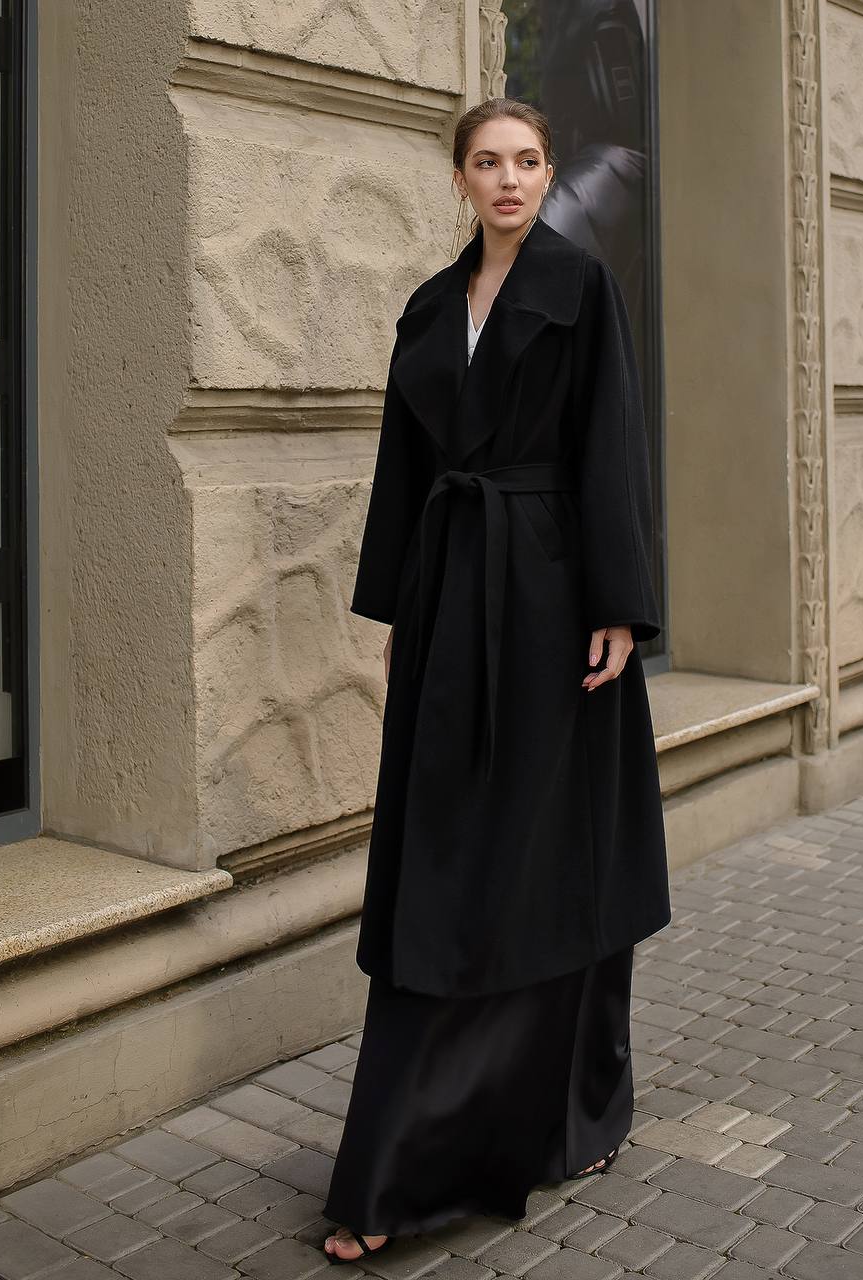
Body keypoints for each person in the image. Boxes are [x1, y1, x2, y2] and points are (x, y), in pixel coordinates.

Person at [322, 97, 671, 1266]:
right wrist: (397, 610)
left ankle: (574, 1110)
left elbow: (611, 441)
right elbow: (402, 462)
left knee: (554, 855)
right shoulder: (429, 306)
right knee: (450, 865)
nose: (509, 180)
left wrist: (620, 603)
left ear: (548, 171)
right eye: (487, 163)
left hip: (554, 601)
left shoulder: (580, 286)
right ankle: (411, 1155)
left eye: (527, 162)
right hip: (449, 597)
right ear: (459, 177)